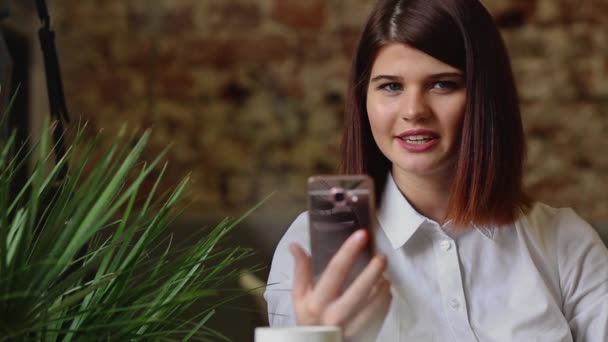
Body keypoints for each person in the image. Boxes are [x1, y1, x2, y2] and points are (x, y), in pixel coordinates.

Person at [263, 0, 608, 341]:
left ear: (485, 96)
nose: (414, 111)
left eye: (442, 84)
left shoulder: (565, 244)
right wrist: (311, 336)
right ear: (363, 99)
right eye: (391, 86)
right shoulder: (308, 247)